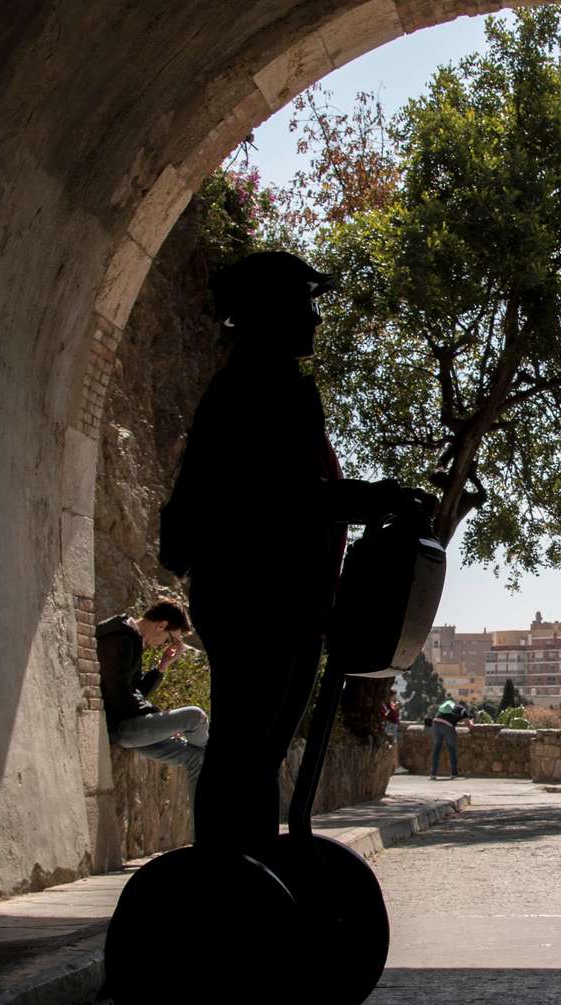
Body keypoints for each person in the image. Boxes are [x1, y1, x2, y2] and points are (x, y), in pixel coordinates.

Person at [157, 250, 423, 855]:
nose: (315, 317)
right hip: (256, 599)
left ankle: (247, 869)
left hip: (284, 602)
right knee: (242, 750)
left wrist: (372, 499)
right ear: (270, 312)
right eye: (305, 303)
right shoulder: (253, 388)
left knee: (257, 753)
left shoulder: (272, 384)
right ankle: (227, 878)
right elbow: (284, 498)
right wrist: (371, 497)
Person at [95, 601, 208, 827]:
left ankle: (203, 838)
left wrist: (163, 664)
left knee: (196, 757)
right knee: (195, 716)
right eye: (169, 638)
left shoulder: (133, 640)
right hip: (122, 727)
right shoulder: (120, 638)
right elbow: (120, 697)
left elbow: (136, 691)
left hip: (132, 727)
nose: (164, 644)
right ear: (161, 625)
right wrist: (161, 720)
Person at [428, 698, 467, 779]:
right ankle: (454, 773)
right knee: (452, 749)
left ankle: (433, 774)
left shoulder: (449, 707)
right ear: (464, 705)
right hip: (447, 726)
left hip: (435, 723)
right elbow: (469, 724)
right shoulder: (462, 709)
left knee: (436, 749)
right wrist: (472, 721)